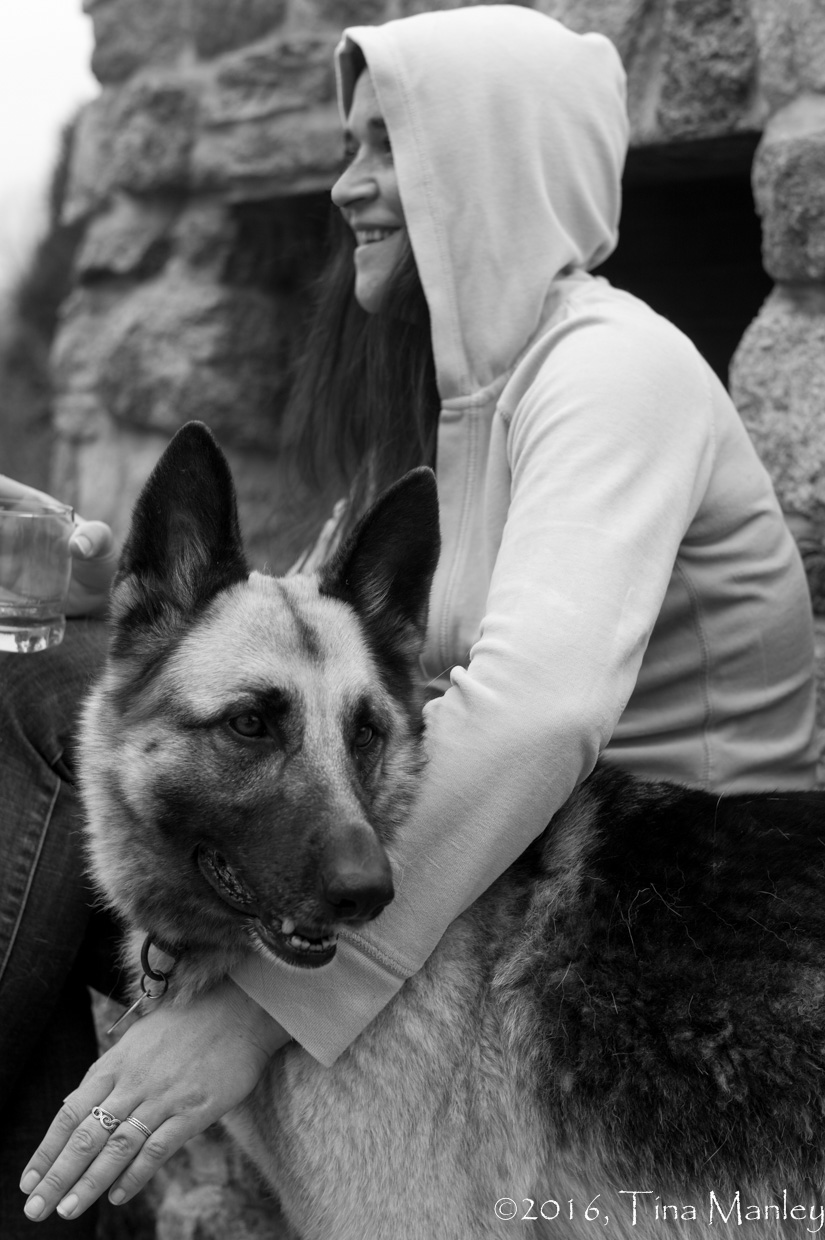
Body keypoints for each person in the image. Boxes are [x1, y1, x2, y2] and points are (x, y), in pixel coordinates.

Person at [10, 5, 818, 1229]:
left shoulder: (614, 369)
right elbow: (284, 637)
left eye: (388, 146)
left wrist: (254, 1016)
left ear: (496, 153)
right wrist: (115, 598)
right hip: (522, 861)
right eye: (348, 148)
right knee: (43, 675)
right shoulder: (468, 399)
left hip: (652, 909)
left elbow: (540, 711)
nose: (347, 186)